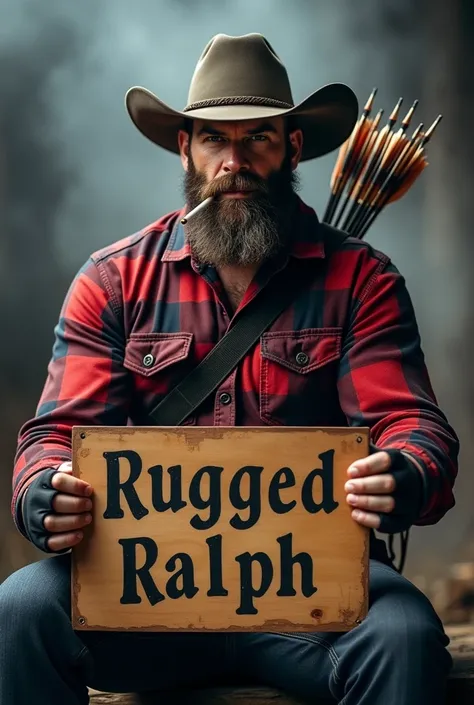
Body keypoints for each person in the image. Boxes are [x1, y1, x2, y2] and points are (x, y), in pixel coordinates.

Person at [0, 32, 459, 705]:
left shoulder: (361, 278)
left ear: (293, 148)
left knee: (402, 633)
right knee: (19, 611)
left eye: (258, 141)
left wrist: (405, 472)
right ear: (185, 147)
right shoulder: (114, 281)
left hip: (311, 594)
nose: (234, 162)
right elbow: (52, 438)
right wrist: (44, 494)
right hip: (143, 592)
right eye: (214, 140)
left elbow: (415, 425)